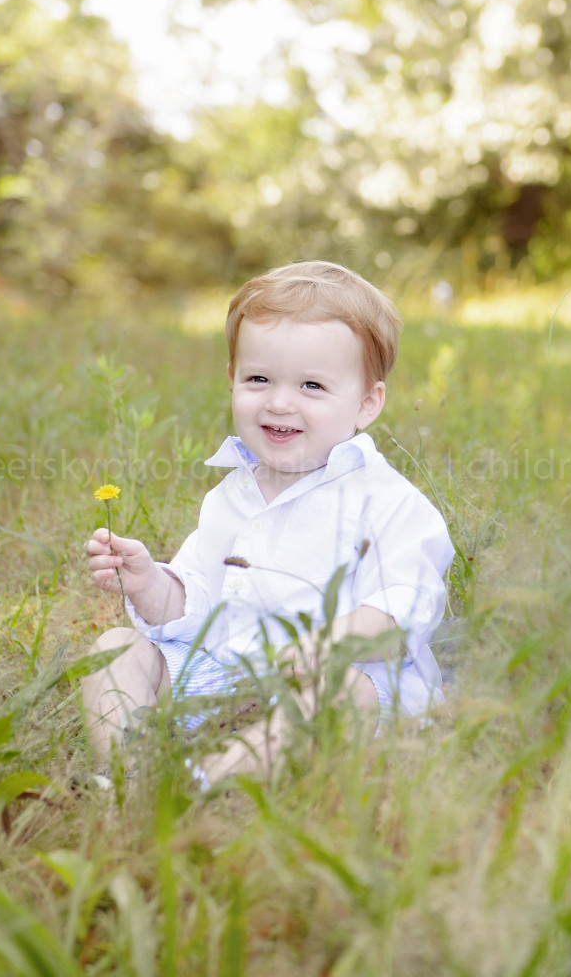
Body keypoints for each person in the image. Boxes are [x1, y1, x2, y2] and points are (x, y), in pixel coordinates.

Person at [81, 261, 454, 781]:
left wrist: (330, 643)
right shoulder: (230, 496)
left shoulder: (389, 503)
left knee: (342, 697)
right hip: (228, 671)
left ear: (367, 403)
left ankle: (201, 779)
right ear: (232, 379)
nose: (280, 401)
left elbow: (403, 607)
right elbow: (197, 606)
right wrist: (149, 583)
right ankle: (128, 768)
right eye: (259, 378)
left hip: (336, 679)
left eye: (312, 386)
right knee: (114, 650)